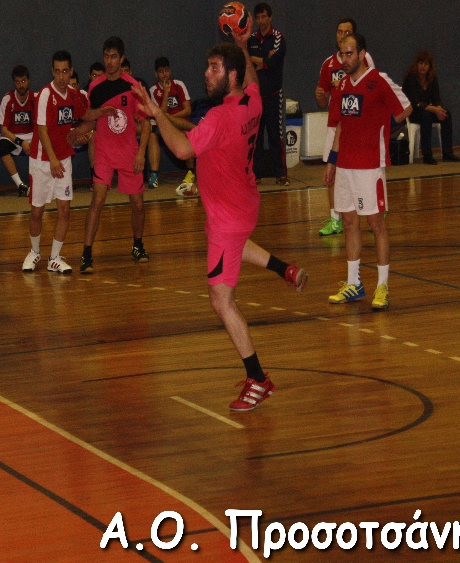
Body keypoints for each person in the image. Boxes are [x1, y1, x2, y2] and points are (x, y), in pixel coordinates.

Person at [132, 30, 307, 412]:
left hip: (228, 215)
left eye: (214, 68)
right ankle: (285, 270)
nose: (206, 73)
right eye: (208, 67)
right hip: (244, 202)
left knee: (221, 300)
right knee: (234, 247)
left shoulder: (219, 116)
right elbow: (254, 80)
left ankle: (258, 379)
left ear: (232, 75)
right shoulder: (252, 101)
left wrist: (157, 113)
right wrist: (242, 45)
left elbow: (182, 149)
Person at [324, 34, 411, 311]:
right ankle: (354, 284)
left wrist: (381, 124)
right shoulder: (341, 85)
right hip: (345, 166)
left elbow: (405, 108)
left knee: (376, 225)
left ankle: (382, 286)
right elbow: (340, 125)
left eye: (349, 53)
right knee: (349, 223)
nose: (345, 59)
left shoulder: (378, 80)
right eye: (342, 54)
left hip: (370, 166)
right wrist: (332, 162)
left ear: (362, 54)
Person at [71, 36, 151, 273]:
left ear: (122, 58)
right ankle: (87, 254)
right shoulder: (95, 87)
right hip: (104, 153)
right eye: (106, 56)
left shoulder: (133, 87)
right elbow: (90, 119)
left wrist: (141, 154)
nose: (109, 61)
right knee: (97, 200)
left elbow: (146, 123)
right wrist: (76, 133)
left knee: (138, 204)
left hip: (129, 154)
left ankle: (138, 245)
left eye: (114, 57)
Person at [21, 50, 88, 275]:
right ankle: (34, 252)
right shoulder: (44, 95)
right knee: (37, 212)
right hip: (42, 161)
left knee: (65, 210)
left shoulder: (74, 95)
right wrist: (52, 159)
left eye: (65, 72)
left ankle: (54, 258)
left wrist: (104, 113)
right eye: (57, 72)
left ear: (71, 72)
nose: (61, 76)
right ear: (52, 72)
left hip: (64, 159)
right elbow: (42, 129)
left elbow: (86, 115)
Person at [314, 17, 375, 236]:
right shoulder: (328, 64)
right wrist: (320, 96)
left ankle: (373, 210)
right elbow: (322, 100)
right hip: (335, 124)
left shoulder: (364, 59)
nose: (342, 36)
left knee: (362, 170)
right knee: (331, 173)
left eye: (346, 32)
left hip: (357, 125)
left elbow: (372, 89)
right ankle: (335, 219)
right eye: (339, 32)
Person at [247, 2, 287, 184]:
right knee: (255, 137)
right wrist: (262, 60)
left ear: (270, 17)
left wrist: (259, 61)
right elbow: (245, 62)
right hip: (255, 96)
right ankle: (256, 175)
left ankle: (281, 174)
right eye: (258, 17)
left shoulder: (278, 38)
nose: (261, 20)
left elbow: (274, 62)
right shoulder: (251, 39)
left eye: (264, 16)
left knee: (275, 135)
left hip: (273, 95)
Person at [402, 50, 460, 164]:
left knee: (446, 114)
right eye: (421, 63)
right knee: (426, 116)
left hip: (428, 110)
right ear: (416, 64)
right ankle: (427, 155)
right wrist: (435, 110)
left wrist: (439, 109)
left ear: (430, 67)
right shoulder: (410, 79)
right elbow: (416, 103)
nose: (423, 66)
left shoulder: (432, 78)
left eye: (426, 64)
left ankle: (447, 153)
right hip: (413, 112)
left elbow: (436, 98)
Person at [148, 57, 194, 190]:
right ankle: (154, 175)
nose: (165, 74)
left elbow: (187, 110)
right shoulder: (153, 90)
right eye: (161, 71)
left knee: (188, 134)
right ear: (156, 74)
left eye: (167, 70)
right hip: (164, 128)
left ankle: (190, 172)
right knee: (152, 136)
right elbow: (160, 114)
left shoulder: (179, 85)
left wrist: (170, 117)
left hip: (181, 123)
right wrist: (166, 92)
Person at [0, 65, 32, 196]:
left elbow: (42, 126)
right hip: (13, 136)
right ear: (14, 83)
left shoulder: (36, 98)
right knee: (2, 145)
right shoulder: (7, 99)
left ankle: (43, 183)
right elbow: (3, 130)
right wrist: (21, 142)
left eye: (23, 81)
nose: (21, 85)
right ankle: (20, 185)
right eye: (17, 82)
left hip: (32, 135)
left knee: (47, 141)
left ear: (28, 81)